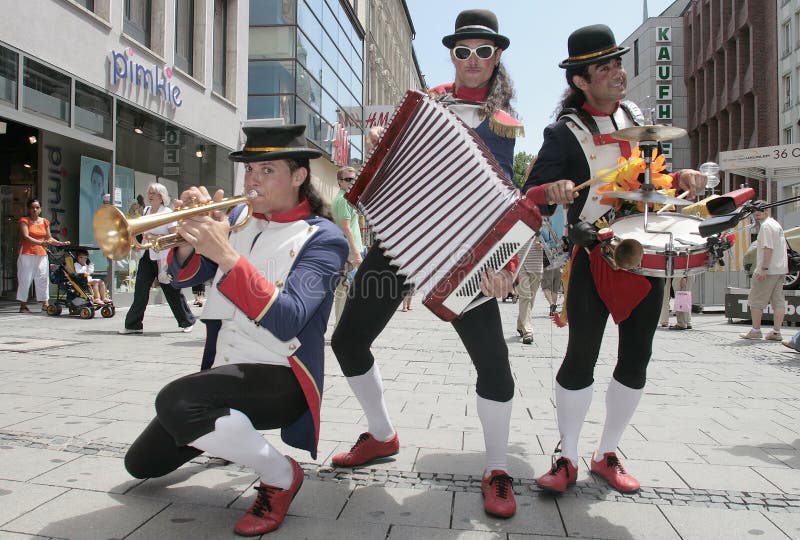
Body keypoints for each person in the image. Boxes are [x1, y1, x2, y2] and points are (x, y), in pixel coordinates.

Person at [330, 9, 524, 518]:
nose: (474, 60)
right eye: (464, 50)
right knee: (347, 340)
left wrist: (505, 266)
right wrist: (376, 146)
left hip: (463, 257)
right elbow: (388, 164)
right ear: (453, 54)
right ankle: (382, 434)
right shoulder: (423, 102)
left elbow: (506, 203)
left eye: (485, 50)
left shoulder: (506, 124)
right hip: (402, 242)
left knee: (493, 363)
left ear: (498, 55)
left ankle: (498, 468)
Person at [123, 125, 348, 536]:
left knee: (176, 402)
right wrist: (191, 239)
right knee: (140, 465)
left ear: (299, 176)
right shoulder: (240, 218)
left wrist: (227, 255)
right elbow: (184, 277)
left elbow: (289, 318)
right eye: (249, 172)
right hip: (227, 367)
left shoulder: (325, 239)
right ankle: (221, 432)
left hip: (282, 375)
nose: (252, 182)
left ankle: (280, 474)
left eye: (267, 171)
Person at [523, 24, 707, 494]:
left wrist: (680, 178)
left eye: (617, 63)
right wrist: (553, 189)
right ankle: (565, 456)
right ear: (581, 80)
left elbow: (654, 181)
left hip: (644, 256)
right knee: (580, 355)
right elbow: (530, 195)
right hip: (594, 256)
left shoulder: (637, 116)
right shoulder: (564, 133)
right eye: (603, 67)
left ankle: (607, 452)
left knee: (637, 357)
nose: (616, 73)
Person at [119, 183, 196, 334]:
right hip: (148, 255)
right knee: (140, 290)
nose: (150, 195)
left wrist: (154, 237)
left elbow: (175, 237)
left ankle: (186, 321)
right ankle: (133, 325)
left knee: (171, 290)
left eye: (153, 193)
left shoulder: (167, 213)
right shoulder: (146, 211)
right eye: (149, 192)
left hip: (164, 257)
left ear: (161, 196)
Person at [740, 202, 788, 341]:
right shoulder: (776, 224)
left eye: (760, 210)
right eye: (755, 210)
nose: (756, 213)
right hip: (779, 269)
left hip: (768, 269)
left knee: (756, 301)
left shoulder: (766, 226)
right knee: (778, 302)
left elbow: (768, 248)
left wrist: (763, 269)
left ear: (767, 210)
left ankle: (755, 331)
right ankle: (776, 332)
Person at [16, 198, 66, 313]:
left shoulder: (44, 221)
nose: (34, 209)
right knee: (25, 279)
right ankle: (23, 305)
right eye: (32, 207)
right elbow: (26, 236)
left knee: (43, 278)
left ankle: (45, 304)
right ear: (28, 209)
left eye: (37, 207)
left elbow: (49, 238)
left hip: (42, 254)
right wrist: (41, 243)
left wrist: (59, 243)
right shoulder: (24, 220)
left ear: (40, 209)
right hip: (27, 253)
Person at [332, 166, 365, 326]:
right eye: (348, 179)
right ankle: (341, 328)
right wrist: (357, 253)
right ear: (340, 182)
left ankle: (341, 327)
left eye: (354, 179)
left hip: (350, 250)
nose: (352, 182)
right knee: (346, 291)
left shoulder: (346, 198)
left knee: (344, 290)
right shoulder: (344, 199)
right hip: (350, 252)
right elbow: (345, 227)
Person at [516, 236, 544, 344]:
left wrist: (542, 244)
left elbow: (551, 244)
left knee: (531, 300)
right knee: (525, 297)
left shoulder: (545, 224)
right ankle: (528, 331)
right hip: (522, 262)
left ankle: (520, 324)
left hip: (536, 266)